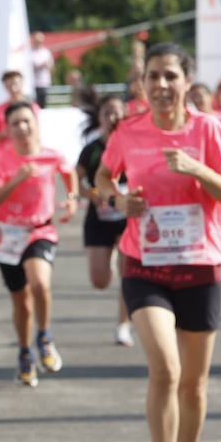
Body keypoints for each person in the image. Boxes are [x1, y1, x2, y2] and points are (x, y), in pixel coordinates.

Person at [95, 41, 221, 442]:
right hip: (145, 264)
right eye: (153, 77)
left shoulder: (208, 131)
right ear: (143, 84)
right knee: (166, 368)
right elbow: (101, 177)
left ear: (186, 81)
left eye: (170, 76)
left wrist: (198, 168)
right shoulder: (128, 131)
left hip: (200, 266)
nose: (161, 86)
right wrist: (118, 203)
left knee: (196, 386)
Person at [0, 101, 78, 387]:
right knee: (21, 303)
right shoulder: (2, 158)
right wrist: (16, 180)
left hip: (41, 230)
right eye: (16, 124)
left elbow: (68, 171)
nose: (23, 128)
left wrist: (72, 198)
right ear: (8, 130)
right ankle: (25, 353)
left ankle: (45, 337)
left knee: (40, 284)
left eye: (27, 121)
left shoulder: (50, 154)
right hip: (9, 235)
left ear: (36, 124)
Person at [77, 94, 134, 347]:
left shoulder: (134, 146)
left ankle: (123, 325)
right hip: (99, 218)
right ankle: (107, 258)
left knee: (128, 273)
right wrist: (91, 193)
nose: (112, 118)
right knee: (99, 281)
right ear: (99, 118)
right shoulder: (91, 149)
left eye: (117, 112)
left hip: (127, 218)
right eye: (107, 113)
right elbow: (75, 181)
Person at [0, 70, 40, 145]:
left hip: (29, 154)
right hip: (5, 155)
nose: (13, 89)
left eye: (15, 84)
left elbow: (38, 135)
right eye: (9, 86)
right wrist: (4, 133)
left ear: (22, 84)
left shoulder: (34, 108)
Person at [30, 32, 54, 108]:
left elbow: (52, 68)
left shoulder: (46, 52)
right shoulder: (29, 52)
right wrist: (40, 65)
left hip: (44, 82)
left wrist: (47, 67)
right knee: (33, 105)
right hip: (32, 83)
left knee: (42, 105)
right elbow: (27, 69)